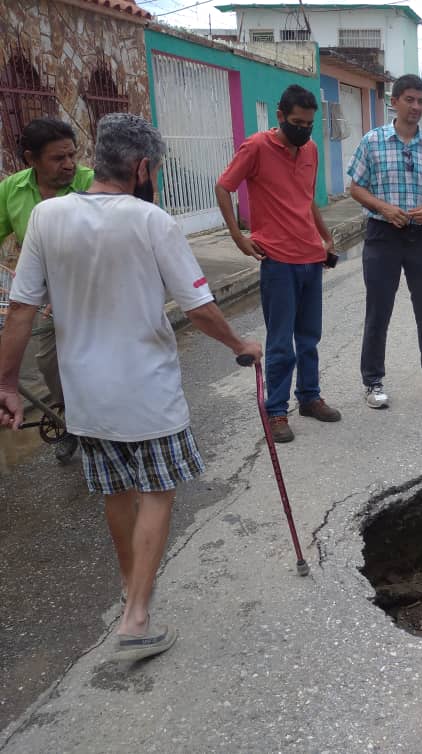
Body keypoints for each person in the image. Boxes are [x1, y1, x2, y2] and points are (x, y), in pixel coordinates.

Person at [0, 113, 262, 663]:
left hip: (86, 395)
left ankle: (131, 589)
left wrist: (7, 383)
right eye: (156, 169)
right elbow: (199, 307)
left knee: (117, 493)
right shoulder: (152, 221)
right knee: (158, 492)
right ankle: (136, 618)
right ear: (142, 167)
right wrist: (241, 344)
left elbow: (21, 309)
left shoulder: (47, 217)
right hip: (147, 391)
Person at [215, 84, 340, 444]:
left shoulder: (311, 149)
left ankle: (310, 397)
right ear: (281, 117)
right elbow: (224, 187)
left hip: (310, 257)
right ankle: (276, 411)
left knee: (309, 337)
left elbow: (305, 199)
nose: (304, 130)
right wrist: (239, 237)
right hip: (278, 260)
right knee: (281, 340)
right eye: (298, 122)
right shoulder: (255, 147)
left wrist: (325, 235)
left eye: (310, 124)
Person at [347, 74, 422, 409]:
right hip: (382, 236)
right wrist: (382, 207)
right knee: (378, 312)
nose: (416, 107)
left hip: (420, 237)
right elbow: (356, 187)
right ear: (394, 102)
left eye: (421, 101)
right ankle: (373, 381)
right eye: (410, 100)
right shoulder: (373, 141)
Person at [0, 118, 94, 464]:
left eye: (72, 155)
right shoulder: (12, 189)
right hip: (49, 297)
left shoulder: (91, 184)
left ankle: (113, 423)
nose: (69, 164)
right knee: (50, 362)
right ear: (31, 159)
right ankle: (73, 421)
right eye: (58, 158)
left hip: (96, 290)